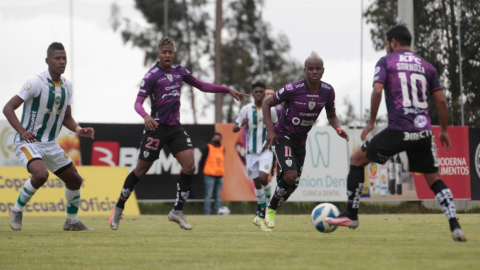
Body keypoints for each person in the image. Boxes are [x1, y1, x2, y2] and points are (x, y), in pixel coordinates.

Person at [324, 25, 467, 242]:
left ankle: (351, 215)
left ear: (392, 42)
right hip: (423, 133)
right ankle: (454, 225)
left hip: (398, 130)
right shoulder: (427, 66)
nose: (386, 46)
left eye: (386, 42)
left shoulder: (386, 62)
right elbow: (441, 101)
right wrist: (444, 130)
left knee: (356, 159)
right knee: (434, 179)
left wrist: (371, 122)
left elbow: (378, 90)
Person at [109, 37, 248, 231]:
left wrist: (227, 90)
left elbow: (202, 85)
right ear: (158, 54)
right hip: (155, 128)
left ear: (174, 54)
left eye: (170, 52)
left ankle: (177, 211)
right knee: (140, 171)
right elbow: (137, 103)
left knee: (189, 166)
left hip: (175, 128)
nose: (167, 55)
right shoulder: (151, 76)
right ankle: (118, 208)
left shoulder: (179, 71)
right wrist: (146, 115)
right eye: (164, 52)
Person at [3, 42, 95, 231]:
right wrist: (22, 131)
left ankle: (71, 222)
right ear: (48, 61)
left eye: (64, 58)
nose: (62, 62)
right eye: (57, 58)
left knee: (75, 180)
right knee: (41, 174)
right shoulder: (35, 83)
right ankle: (17, 210)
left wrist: (79, 130)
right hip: (28, 142)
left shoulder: (67, 86)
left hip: (50, 144)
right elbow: (8, 108)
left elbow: (66, 117)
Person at [260, 52, 349, 231]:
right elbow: (266, 104)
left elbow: (331, 115)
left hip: (300, 142)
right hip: (282, 136)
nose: (314, 72)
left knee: (292, 185)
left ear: (323, 71)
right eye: (311, 69)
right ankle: (269, 210)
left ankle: (269, 207)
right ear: (305, 71)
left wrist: (338, 128)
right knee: (290, 176)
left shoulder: (327, 91)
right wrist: (270, 131)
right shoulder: (292, 89)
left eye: (317, 69)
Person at [233, 82, 278, 231]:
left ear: (264, 93)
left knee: (264, 178)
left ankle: (268, 206)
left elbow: (277, 126)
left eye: (261, 92)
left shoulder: (270, 111)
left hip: (266, 151)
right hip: (251, 153)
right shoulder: (246, 110)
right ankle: (263, 211)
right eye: (256, 92)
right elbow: (234, 127)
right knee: (257, 183)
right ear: (253, 94)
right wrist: (241, 124)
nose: (259, 94)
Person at [201, 133, 225, 215]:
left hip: (220, 175)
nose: (217, 139)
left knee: (218, 195)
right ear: (212, 138)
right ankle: (207, 212)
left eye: (218, 138)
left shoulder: (222, 148)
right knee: (209, 195)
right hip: (209, 174)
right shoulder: (208, 147)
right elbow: (202, 160)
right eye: (215, 138)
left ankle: (218, 212)